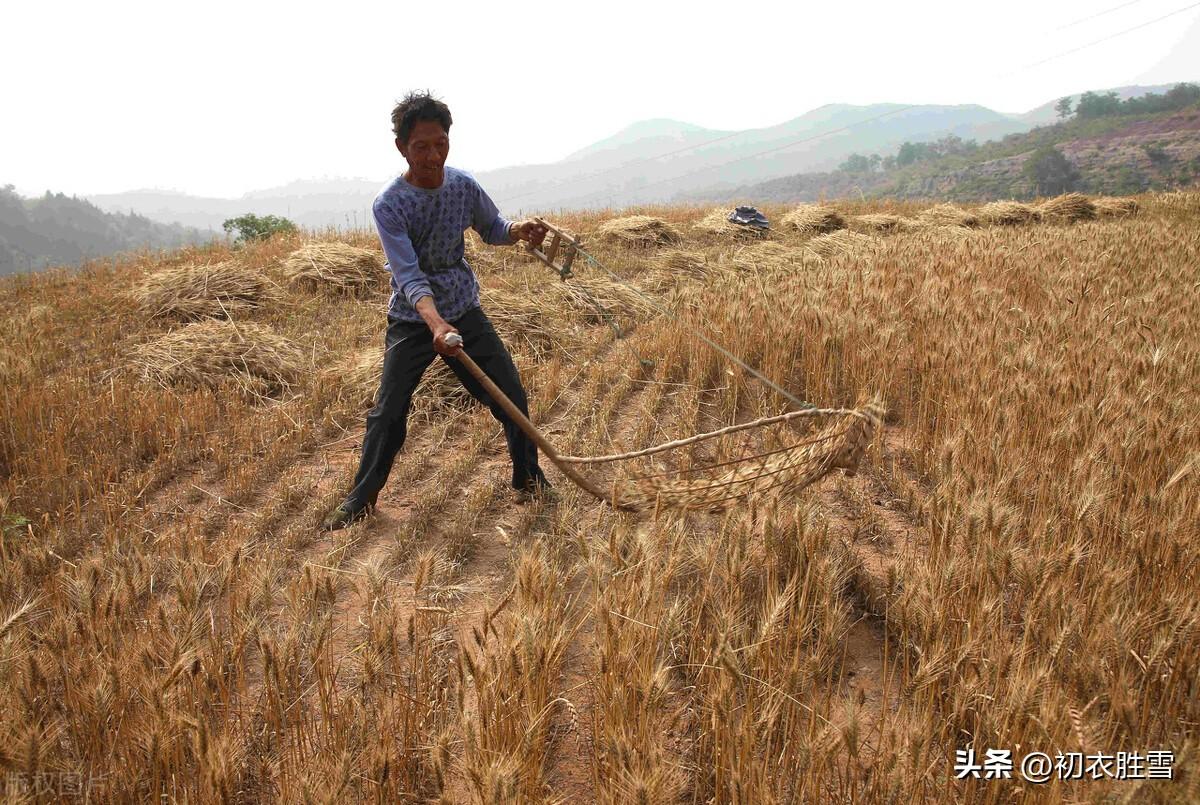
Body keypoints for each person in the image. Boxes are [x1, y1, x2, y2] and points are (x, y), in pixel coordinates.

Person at [323, 91, 552, 531]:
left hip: (464, 308)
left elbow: (492, 227)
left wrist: (518, 231)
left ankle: (529, 479)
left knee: (510, 396)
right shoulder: (390, 204)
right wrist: (434, 322)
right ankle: (361, 498)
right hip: (414, 320)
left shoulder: (462, 185)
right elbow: (408, 276)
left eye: (440, 143)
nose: (433, 155)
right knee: (388, 410)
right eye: (421, 146)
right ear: (401, 148)